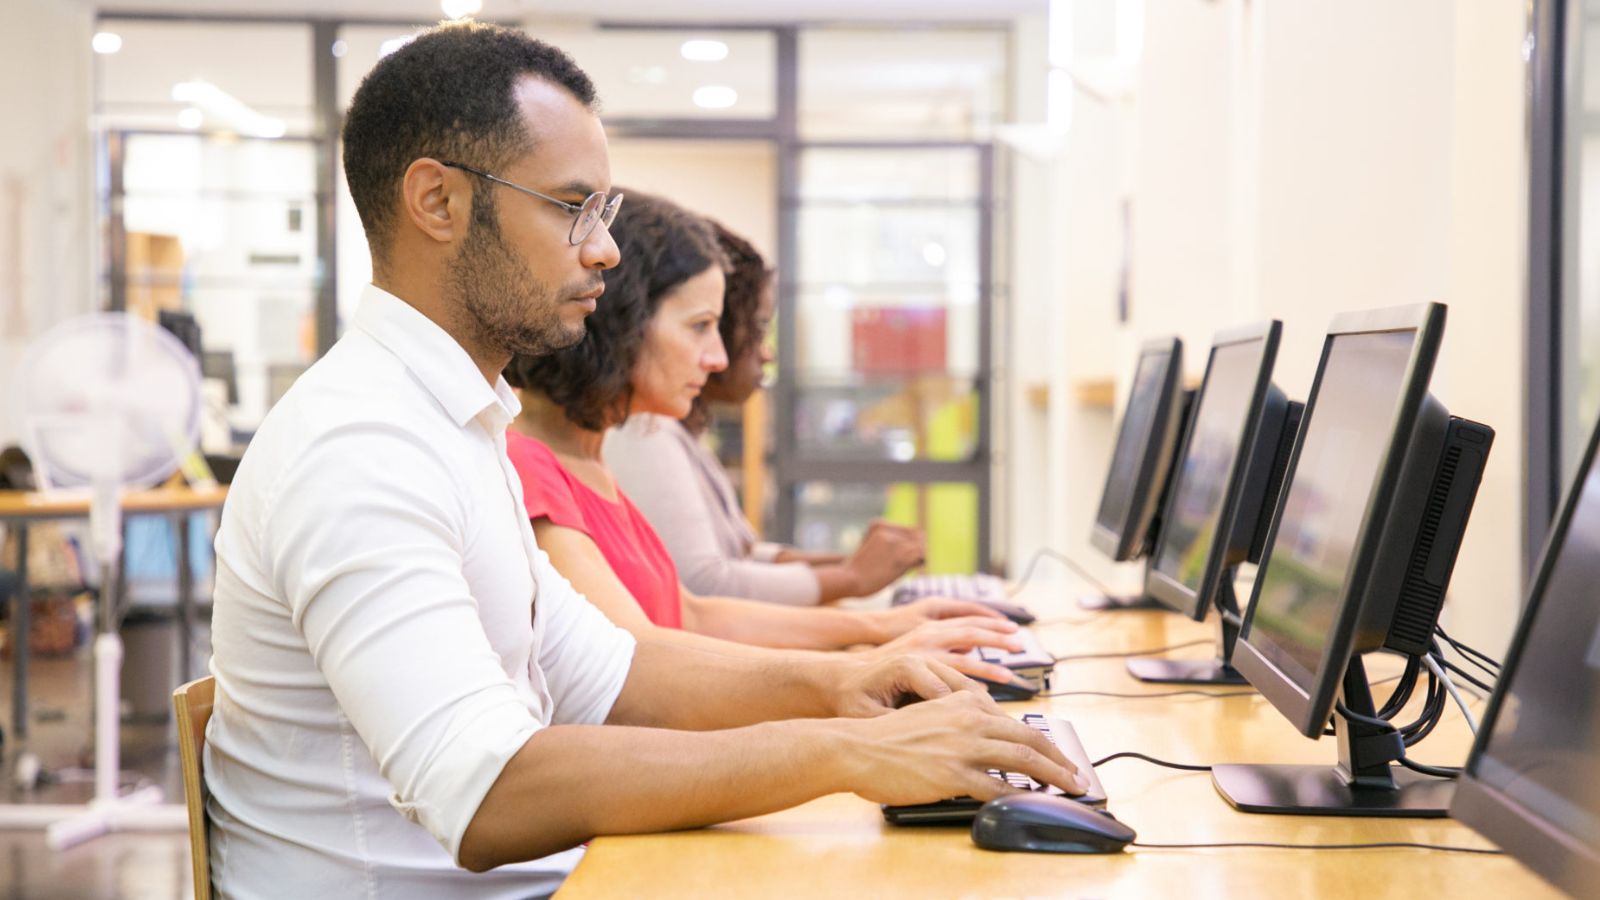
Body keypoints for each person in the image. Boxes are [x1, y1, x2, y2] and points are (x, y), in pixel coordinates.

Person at [203, 22, 1081, 900]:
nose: (604, 250)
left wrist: (853, 683)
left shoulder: (457, 425)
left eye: (604, 213)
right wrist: (849, 749)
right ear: (438, 202)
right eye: (571, 207)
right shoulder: (362, 447)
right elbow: (486, 794)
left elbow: (619, 675)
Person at [503, 189, 1027, 682]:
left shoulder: (591, 461)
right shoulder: (536, 467)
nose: (718, 357)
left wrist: (884, 628)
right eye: (700, 326)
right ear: (625, 322)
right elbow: (641, 666)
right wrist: (863, 667)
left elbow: (695, 614)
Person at [605, 223, 925, 605]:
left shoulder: (672, 429)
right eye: (757, 329)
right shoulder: (641, 430)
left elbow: (737, 554)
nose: (766, 352)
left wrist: (854, 565)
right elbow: (703, 584)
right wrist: (851, 579)